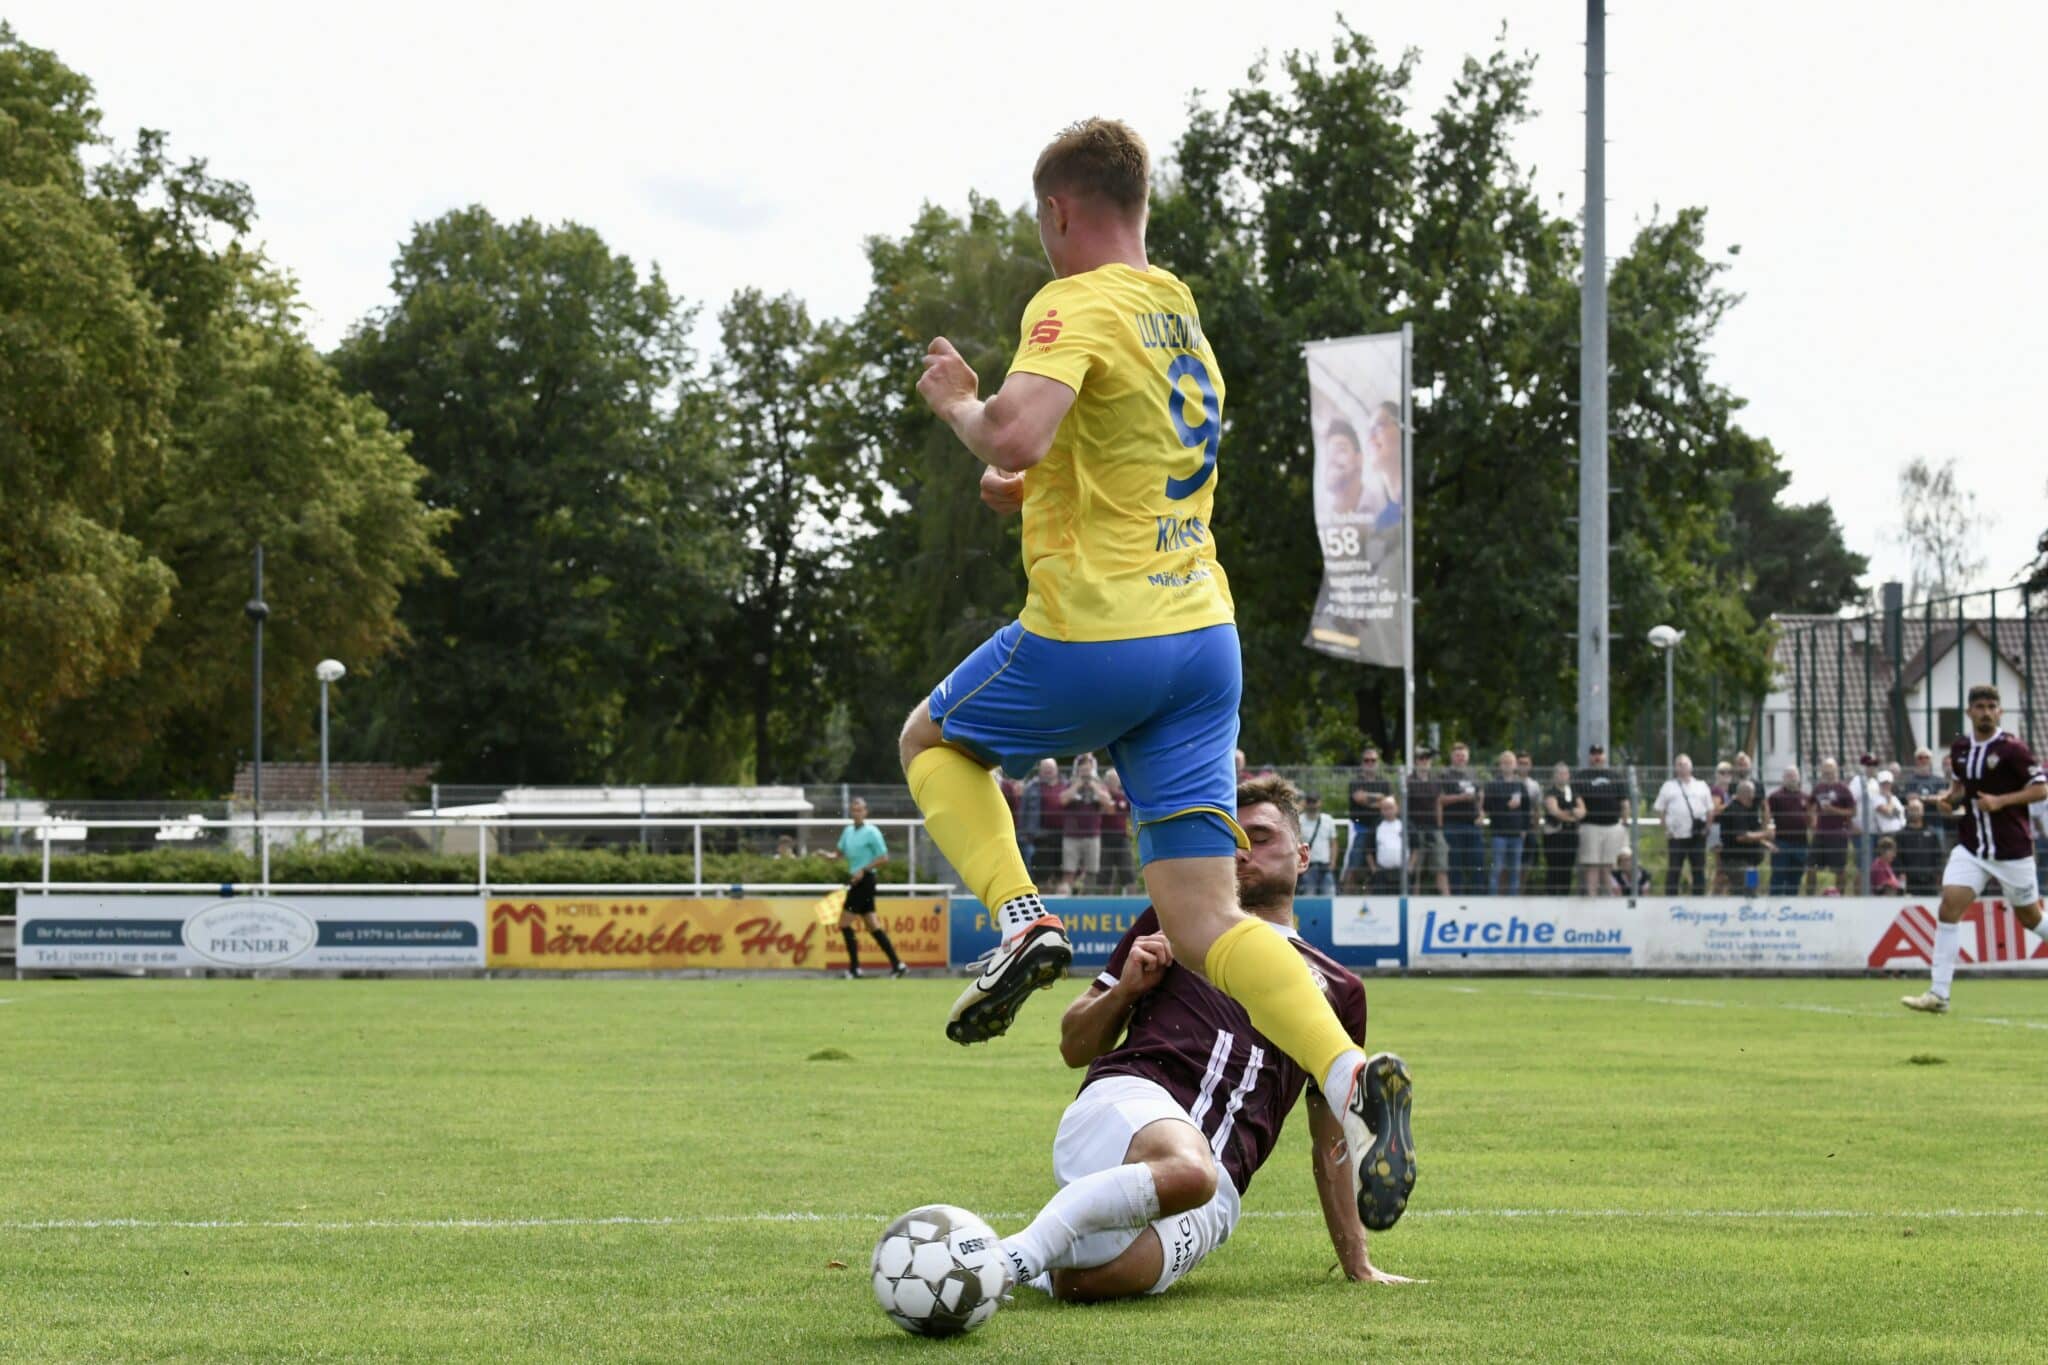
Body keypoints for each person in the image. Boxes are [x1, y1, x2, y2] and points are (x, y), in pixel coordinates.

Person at [898, 118, 1396, 1212]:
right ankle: (1348, 1070)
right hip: (1200, 644)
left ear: (1058, 212)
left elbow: (1014, 431)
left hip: (1100, 632)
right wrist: (1026, 485)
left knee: (930, 742)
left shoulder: (1067, 302)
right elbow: (1115, 456)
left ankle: (1021, 917)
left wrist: (958, 407)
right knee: (1205, 926)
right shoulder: (1176, 313)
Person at [997, 778, 1417, 1301]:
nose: (1242, 852)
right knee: (1189, 1170)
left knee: (1084, 1284)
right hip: (1128, 1103)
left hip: (1218, 1188)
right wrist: (1125, 990)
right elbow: (1073, 1046)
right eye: (1230, 841)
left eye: (1260, 837)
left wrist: (1358, 1263)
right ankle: (1005, 1260)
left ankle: (994, 1255)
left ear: (1303, 855)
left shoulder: (1341, 989)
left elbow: (1330, 1138)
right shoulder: (1177, 921)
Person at [1901, 685, 2048, 1013]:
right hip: (1972, 848)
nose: (1985, 711)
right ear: (1969, 712)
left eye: (1991, 706)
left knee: (2032, 918)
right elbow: (1959, 789)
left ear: (2000, 712)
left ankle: (1939, 994)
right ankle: (1939, 995)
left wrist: (2001, 801)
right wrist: (1947, 801)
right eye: (1979, 706)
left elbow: (2041, 790)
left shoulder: (2013, 750)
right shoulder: (1961, 747)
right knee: (1949, 907)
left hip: (2011, 850)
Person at [834, 798, 906, 979]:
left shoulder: (872, 832)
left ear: (866, 812)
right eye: (854, 810)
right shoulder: (848, 831)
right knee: (873, 925)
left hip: (865, 881)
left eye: (860, 810)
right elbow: (838, 854)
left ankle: (854, 968)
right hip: (855, 881)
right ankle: (898, 965)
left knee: (844, 923)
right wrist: (824, 855)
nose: (857, 813)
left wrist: (864, 869)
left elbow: (884, 857)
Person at [1653, 754, 1713, 896]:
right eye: (1679, 764)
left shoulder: (1701, 785)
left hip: (1697, 835)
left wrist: (1707, 828)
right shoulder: (1668, 786)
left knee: (1698, 869)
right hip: (1677, 836)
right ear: (1675, 768)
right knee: (1674, 869)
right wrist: (1666, 829)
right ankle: (1671, 900)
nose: (1682, 767)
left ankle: (1698, 899)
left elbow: (1710, 809)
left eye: (1685, 764)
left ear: (1691, 766)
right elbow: (1660, 809)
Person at [1056, 754, 1114, 895]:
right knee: (1069, 870)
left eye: (1088, 769)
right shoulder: (1071, 783)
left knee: (1092, 871)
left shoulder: (1099, 785)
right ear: (1078, 769)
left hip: (1093, 835)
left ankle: (1088, 898)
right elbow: (1062, 800)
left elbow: (1110, 807)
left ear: (1093, 769)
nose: (1085, 772)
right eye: (1082, 769)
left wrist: (1094, 787)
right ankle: (1066, 901)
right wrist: (1077, 785)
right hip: (1071, 835)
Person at [1576, 746, 1629, 897]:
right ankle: (1592, 899)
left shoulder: (1615, 776)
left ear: (1605, 756)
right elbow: (1577, 801)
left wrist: (1624, 824)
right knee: (1592, 865)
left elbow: (1624, 802)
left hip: (1612, 826)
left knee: (1608, 866)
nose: (1597, 757)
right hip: (1590, 826)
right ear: (1589, 757)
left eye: (1600, 753)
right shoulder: (1581, 777)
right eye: (1593, 754)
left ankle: (1609, 899)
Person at [1341, 747, 1393, 893]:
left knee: (1376, 867)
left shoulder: (1384, 782)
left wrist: (1368, 798)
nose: (1370, 763)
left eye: (1373, 760)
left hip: (1379, 829)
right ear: (1362, 763)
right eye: (1366, 760)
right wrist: (1379, 799)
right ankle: (1345, 897)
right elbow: (1359, 798)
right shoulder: (1355, 782)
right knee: (1353, 866)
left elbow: (1388, 802)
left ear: (1378, 763)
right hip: (1359, 828)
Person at [1437, 743, 1483, 895]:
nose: (1460, 758)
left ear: (1467, 758)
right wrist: (1460, 797)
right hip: (1452, 825)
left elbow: (1480, 795)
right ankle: (1456, 898)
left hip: (1472, 825)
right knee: (1454, 865)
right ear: (1452, 757)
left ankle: (1477, 897)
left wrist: (1480, 813)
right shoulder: (1445, 774)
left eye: (1463, 755)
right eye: (1457, 755)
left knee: (1477, 863)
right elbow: (1440, 799)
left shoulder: (1473, 774)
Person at [1482, 750, 1529, 896]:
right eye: (1505, 762)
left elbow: (1527, 809)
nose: (1508, 765)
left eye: (1511, 762)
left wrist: (1524, 829)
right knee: (1497, 868)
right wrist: (1505, 805)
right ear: (1500, 765)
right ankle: (1493, 899)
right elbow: (1487, 807)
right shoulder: (1493, 785)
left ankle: (1513, 900)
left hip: (1516, 834)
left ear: (1515, 765)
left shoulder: (1520, 785)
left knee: (1515, 869)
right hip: (1499, 833)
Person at [1807, 758, 1858, 895]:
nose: (1828, 772)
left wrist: (1833, 810)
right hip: (1820, 833)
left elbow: (1853, 811)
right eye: (1825, 770)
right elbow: (1810, 805)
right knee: (1811, 868)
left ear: (1836, 771)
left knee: (1839, 870)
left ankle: (1839, 898)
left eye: (1830, 770)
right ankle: (1808, 899)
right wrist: (1812, 819)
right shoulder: (1818, 788)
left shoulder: (1843, 789)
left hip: (1838, 834)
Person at [1715, 780, 1773, 896]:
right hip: (1737, 862)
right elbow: (1741, 836)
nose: (1754, 797)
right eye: (1752, 794)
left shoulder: (1746, 810)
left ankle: (1750, 913)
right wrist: (1765, 834)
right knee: (1743, 893)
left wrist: (1764, 842)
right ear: (1746, 794)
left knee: (1753, 890)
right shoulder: (1736, 810)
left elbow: (1752, 832)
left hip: (1750, 863)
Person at [1405, 748, 1448, 895]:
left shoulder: (1436, 780)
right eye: (1421, 759)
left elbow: (1438, 804)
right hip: (1415, 828)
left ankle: (1446, 901)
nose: (1425, 762)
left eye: (1427, 759)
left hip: (1434, 828)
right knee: (1416, 869)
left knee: (1441, 866)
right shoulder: (1409, 781)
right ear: (1416, 761)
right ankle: (1414, 903)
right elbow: (1402, 805)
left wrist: (1440, 826)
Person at [1765, 768, 1813, 898]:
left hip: (1801, 844)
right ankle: (1773, 907)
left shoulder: (1806, 798)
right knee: (1778, 877)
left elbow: (1811, 819)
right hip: (1781, 843)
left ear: (1798, 778)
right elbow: (1768, 818)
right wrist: (1769, 837)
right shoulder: (1775, 797)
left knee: (1795, 878)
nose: (1791, 778)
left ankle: (1792, 907)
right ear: (1783, 778)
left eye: (1794, 775)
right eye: (1788, 775)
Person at [1542, 763, 1584, 896]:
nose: (1562, 776)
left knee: (1567, 869)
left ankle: (1564, 896)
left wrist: (1568, 813)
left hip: (1570, 836)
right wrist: (1572, 815)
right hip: (1554, 837)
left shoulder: (1573, 792)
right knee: (1554, 869)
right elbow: (1555, 811)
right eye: (1559, 773)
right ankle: (1552, 896)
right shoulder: (1551, 792)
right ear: (1554, 776)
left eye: (1565, 773)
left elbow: (1583, 810)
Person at [1017, 759, 1062, 880]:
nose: (1048, 771)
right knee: (1037, 867)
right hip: (1037, 837)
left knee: (1060, 869)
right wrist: (1023, 834)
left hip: (1061, 836)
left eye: (1051, 769)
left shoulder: (1065, 785)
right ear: (1040, 771)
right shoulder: (1031, 787)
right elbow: (1023, 812)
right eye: (1045, 768)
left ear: (1056, 770)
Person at [1895, 798, 1946, 897]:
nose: (1914, 812)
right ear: (1907, 811)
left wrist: (1938, 874)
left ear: (1922, 811)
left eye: (1917, 809)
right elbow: (1897, 858)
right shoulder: (1900, 835)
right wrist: (1901, 874)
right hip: (1910, 884)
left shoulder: (1932, 833)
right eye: (1912, 809)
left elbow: (1939, 856)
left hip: (1930, 883)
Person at [1099, 769, 1134, 893]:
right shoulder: (1101, 794)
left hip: (1122, 837)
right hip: (1105, 838)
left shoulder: (1125, 796)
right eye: (1110, 780)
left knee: (1128, 872)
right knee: (1105, 873)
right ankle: (1105, 902)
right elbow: (1110, 809)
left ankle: (1131, 900)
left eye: (1115, 779)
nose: (1112, 782)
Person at [1369, 795, 1412, 894]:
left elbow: (1415, 846)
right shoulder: (1376, 825)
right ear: (1381, 810)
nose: (1388, 811)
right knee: (1381, 903)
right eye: (1385, 809)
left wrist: (1411, 866)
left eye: (1390, 808)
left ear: (1397, 808)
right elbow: (1368, 849)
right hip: (1381, 872)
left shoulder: (1406, 824)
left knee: (1402, 901)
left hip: (1402, 872)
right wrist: (1373, 869)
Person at [1299, 792, 1337, 896]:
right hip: (1308, 867)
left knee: (1330, 896)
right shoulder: (1299, 820)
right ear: (1305, 803)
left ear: (1320, 803)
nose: (1312, 804)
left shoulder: (1328, 820)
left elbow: (1333, 843)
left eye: (1314, 801)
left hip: (1325, 866)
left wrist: (1333, 863)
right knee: (1308, 897)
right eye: (1309, 801)